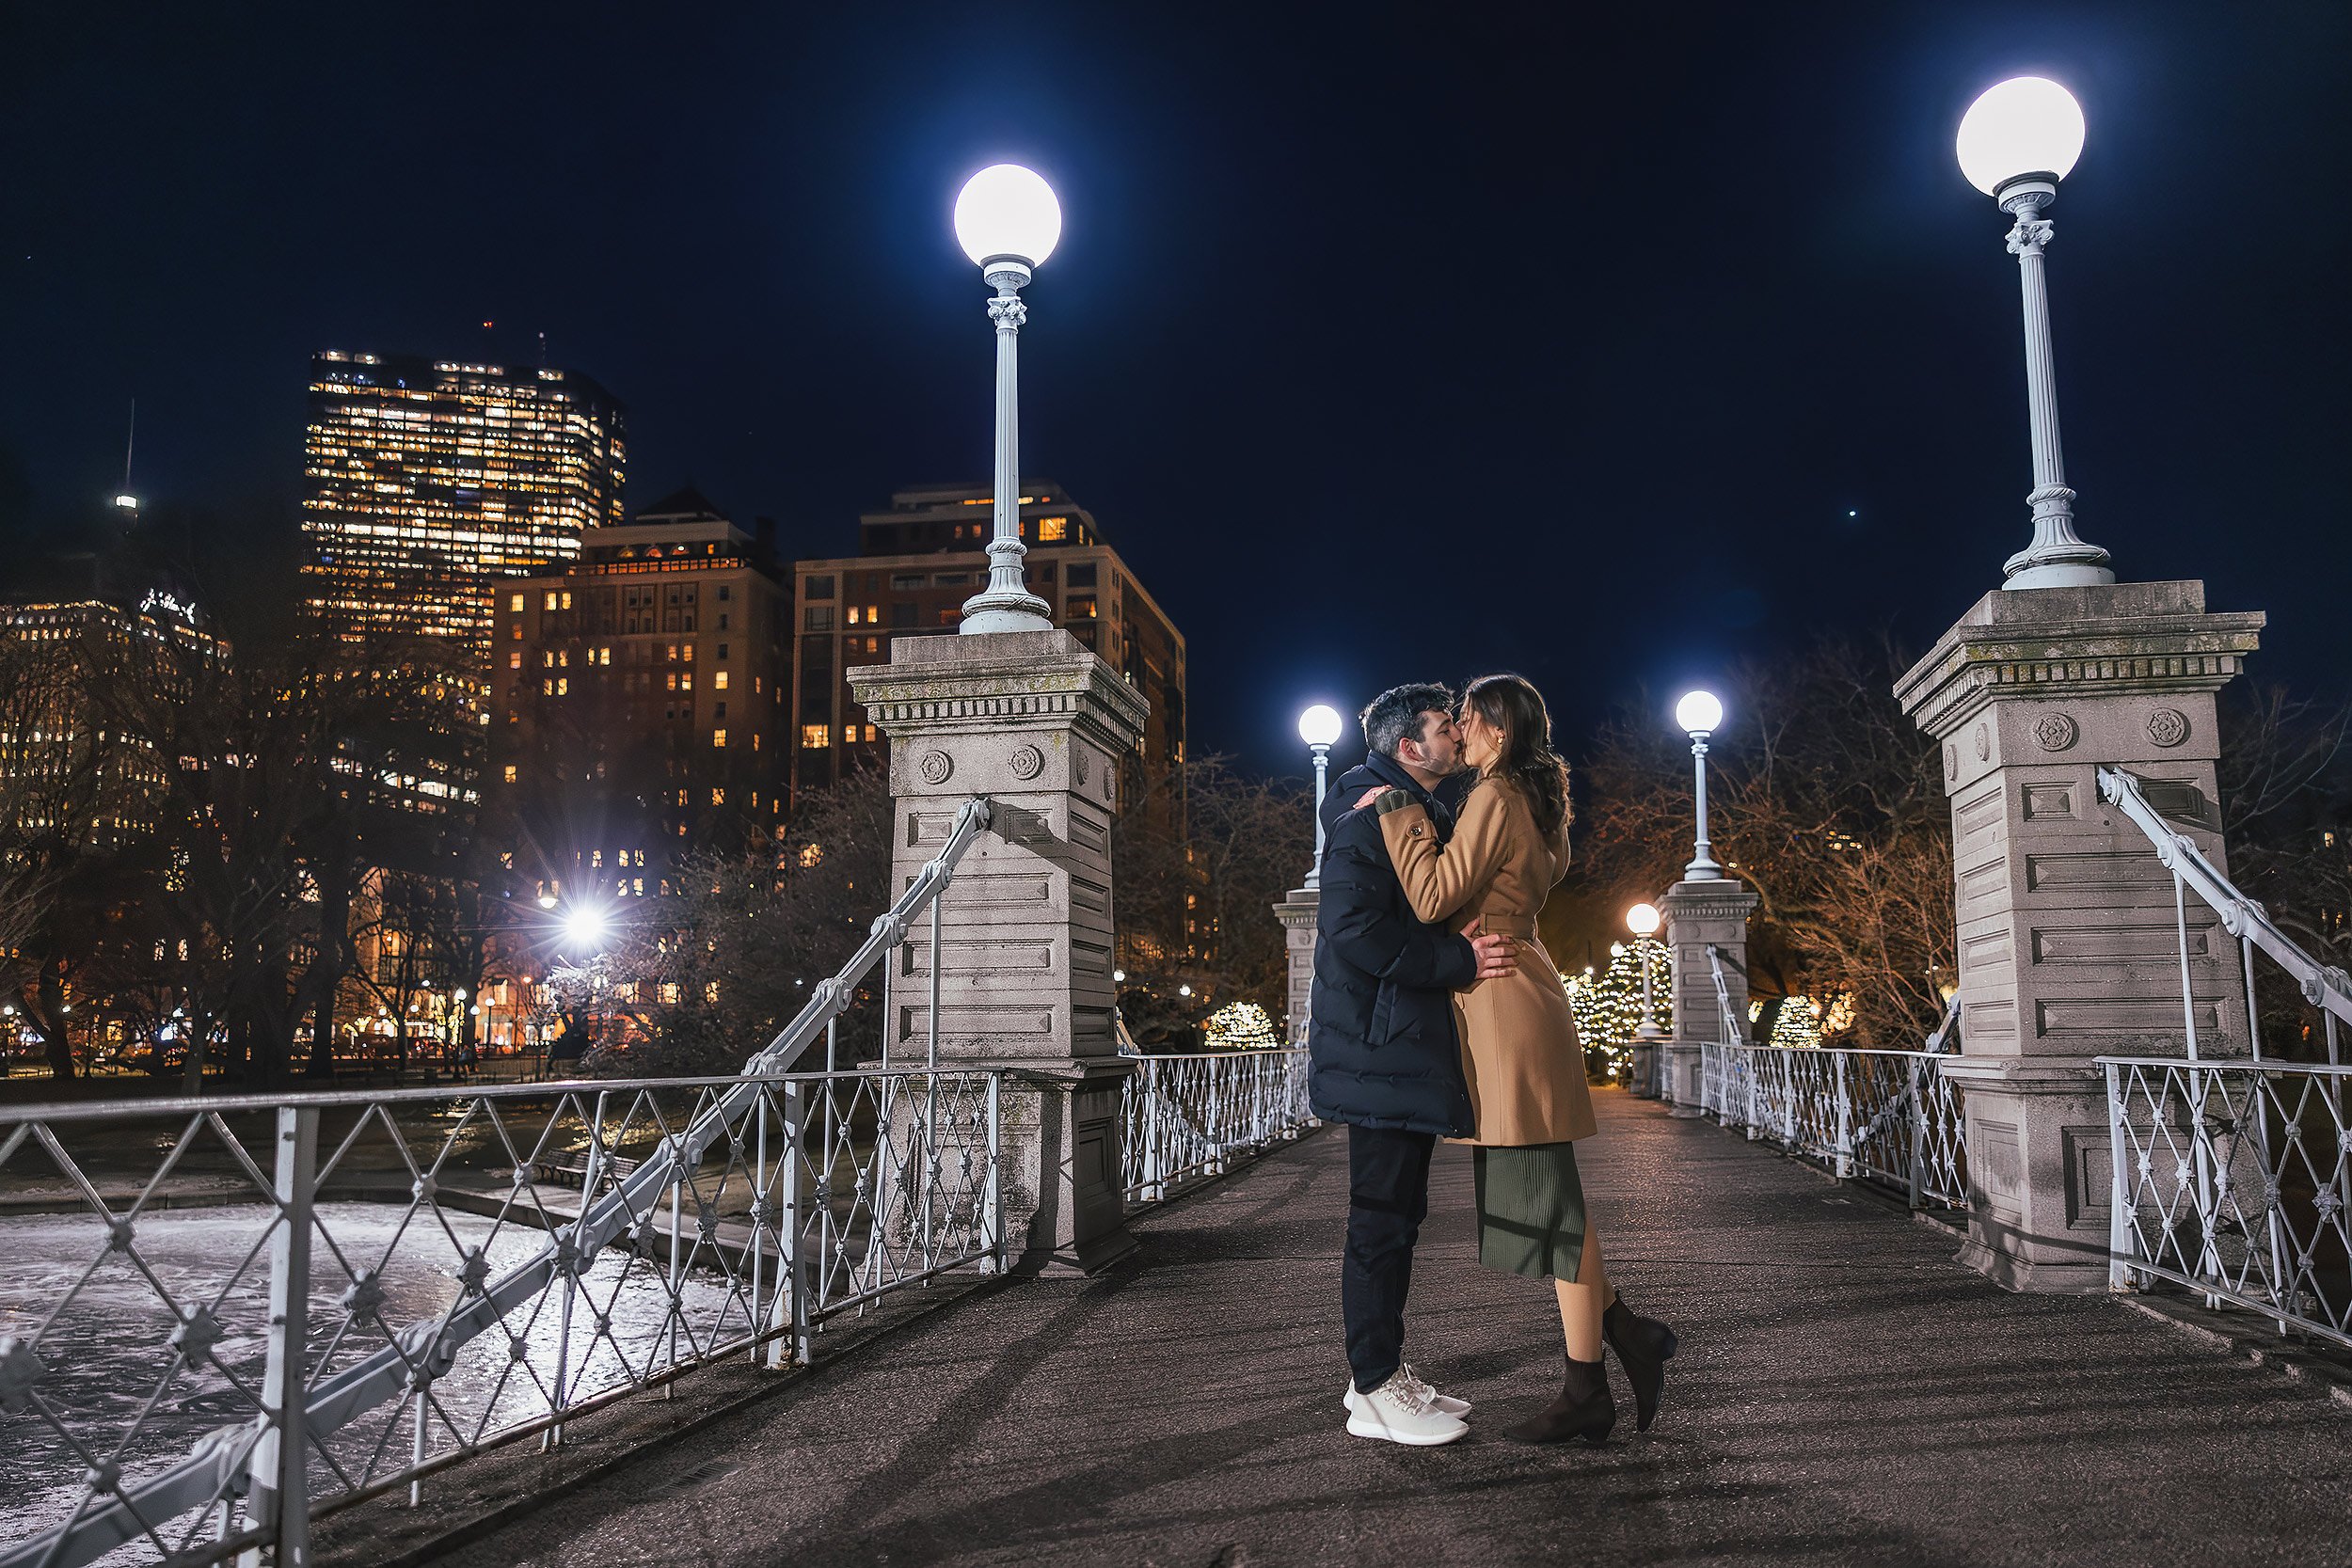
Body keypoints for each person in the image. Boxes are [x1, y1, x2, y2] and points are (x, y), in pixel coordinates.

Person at [1363, 673, 1680, 1445]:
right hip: (1523, 991)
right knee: (1539, 1203)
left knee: (1551, 1207)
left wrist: (1400, 812)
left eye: (1469, 718)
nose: (1459, 728)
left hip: (1504, 1008)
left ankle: (1588, 1386)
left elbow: (1434, 896)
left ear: (1499, 732)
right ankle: (1627, 1337)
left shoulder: (1496, 795)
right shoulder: (1539, 804)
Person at [1308, 683, 1519, 1448]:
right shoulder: (1371, 816)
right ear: (1409, 748)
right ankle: (1374, 1387)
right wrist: (1456, 959)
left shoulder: (1406, 808)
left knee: (1397, 1217)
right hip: (1380, 1048)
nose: (1458, 734)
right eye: (1444, 726)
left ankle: (1380, 1374)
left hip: (1392, 1047)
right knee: (1381, 1221)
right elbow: (1354, 929)